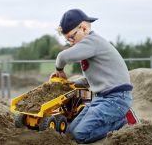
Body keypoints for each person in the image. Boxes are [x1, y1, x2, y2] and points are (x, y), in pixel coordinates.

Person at [51, 9, 140, 144]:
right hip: (101, 98)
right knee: (72, 132)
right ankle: (117, 119)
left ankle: (124, 120)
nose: (70, 42)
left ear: (84, 28)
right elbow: (92, 79)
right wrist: (69, 84)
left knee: (81, 135)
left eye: (71, 37)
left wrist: (59, 69)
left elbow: (62, 57)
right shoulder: (90, 48)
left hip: (116, 99)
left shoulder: (92, 42)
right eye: (67, 39)